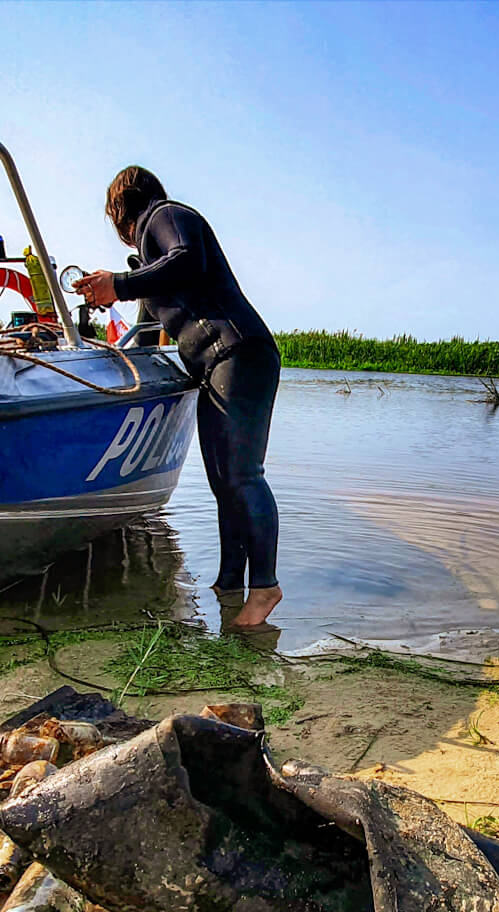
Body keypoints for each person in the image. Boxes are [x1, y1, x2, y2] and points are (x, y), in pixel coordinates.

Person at [75, 167, 284, 631]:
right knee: (223, 482)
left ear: (119, 211)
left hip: (238, 354)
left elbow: (188, 259)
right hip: (217, 366)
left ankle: (265, 586)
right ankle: (230, 584)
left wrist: (120, 284)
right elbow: (145, 338)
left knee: (243, 476)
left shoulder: (165, 216)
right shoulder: (150, 273)